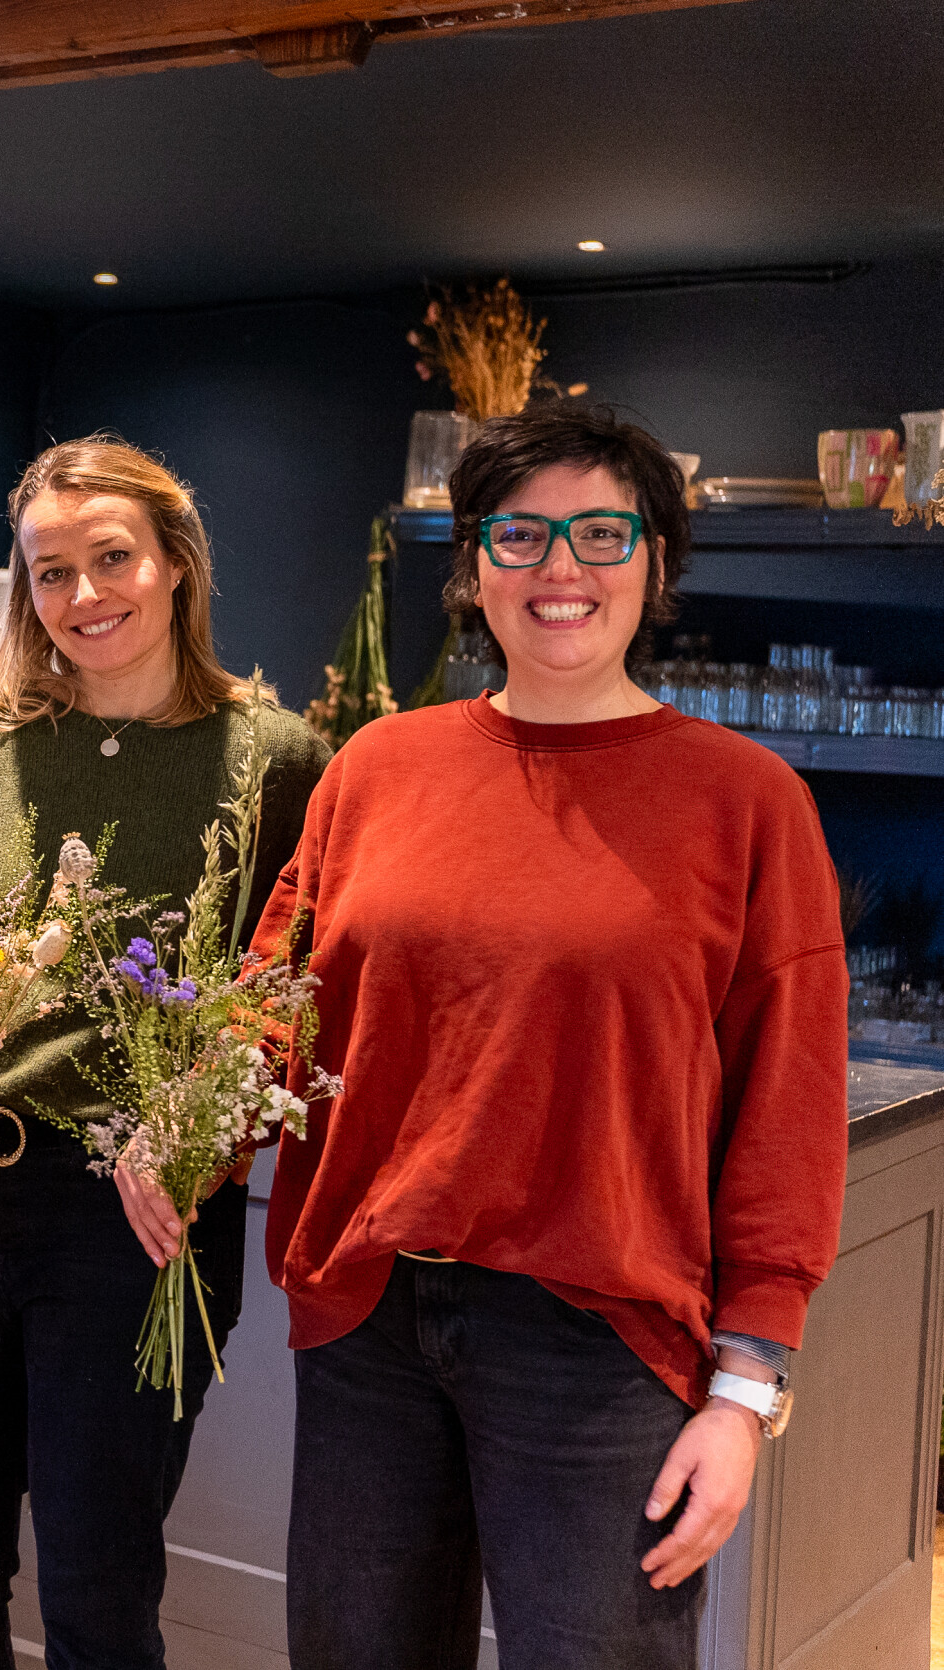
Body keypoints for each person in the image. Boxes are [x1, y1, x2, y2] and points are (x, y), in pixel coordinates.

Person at [250, 406, 848, 1669]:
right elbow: (274, 998)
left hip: (605, 1337)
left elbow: (786, 1108)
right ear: (472, 567)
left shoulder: (746, 800)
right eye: (519, 535)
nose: (559, 568)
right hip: (372, 1315)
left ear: (655, 564)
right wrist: (174, 1125)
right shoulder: (377, 765)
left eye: (598, 533)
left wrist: (745, 1391)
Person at [0, 436, 329, 1668]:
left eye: (110, 558)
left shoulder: (273, 755)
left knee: (98, 1584)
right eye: (49, 571)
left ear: (175, 562)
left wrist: (194, 1135)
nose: (82, 597)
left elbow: (291, 989)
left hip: (131, 1212)